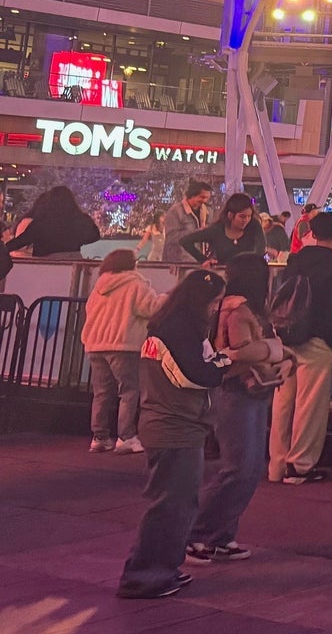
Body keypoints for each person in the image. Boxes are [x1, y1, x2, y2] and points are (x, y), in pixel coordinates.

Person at [118, 269, 227, 599]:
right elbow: (195, 375)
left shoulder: (171, 326)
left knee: (176, 502)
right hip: (173, 428)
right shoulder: (178, 330)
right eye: (215, 302)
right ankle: (143, 574)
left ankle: (161, 568)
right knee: (170, 504)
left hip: (173, 426)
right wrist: (226, 364)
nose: (215, 309)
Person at [189, 253, 287, 564]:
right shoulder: (239, 310)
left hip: (243, 388)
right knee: (240, 467)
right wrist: (277, 352)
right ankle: (197, 533)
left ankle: (218, 535)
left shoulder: (231, 306)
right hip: (237, 388)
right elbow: (244, 351)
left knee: (247, 466)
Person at [268, 211, 332, 486]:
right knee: (310, 404)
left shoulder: (295, 260)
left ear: (311, 233)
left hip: (288, 336)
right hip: (317, 339)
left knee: (283, 401)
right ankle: (300, 465)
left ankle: (276, 464)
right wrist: (329, 338)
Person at [81, 248, 161, 454]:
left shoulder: (98, 287)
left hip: (96, 345)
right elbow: (151, 308)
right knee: (129, 391)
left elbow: (89, 311)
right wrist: (167, 298)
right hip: (123, 344)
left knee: (101, 393)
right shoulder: (136, 284)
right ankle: (126, 437)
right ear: (131, 264)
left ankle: (99, 437)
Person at [7, 185, 102, 257]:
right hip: (73, 260)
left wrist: (4, 249)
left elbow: (22, 240)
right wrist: (78, 240)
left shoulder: (42, 221)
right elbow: (95, 235)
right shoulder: (80, 219)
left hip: (46, 263)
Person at [177, 191, 266, 265]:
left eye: (249, 216)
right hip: (223, 275)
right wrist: (204, 260)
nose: (246, 220)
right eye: (242, 216)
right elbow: (185, 241)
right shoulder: (217, 230)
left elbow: (261, 249)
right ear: (230, 215)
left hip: (248, 276)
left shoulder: (254, 226)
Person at [156, 181, 213, 263]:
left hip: (199, 262)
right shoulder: (175, 211)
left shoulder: (206, 212)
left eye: (207, 198)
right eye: (202, 197)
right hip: (179, 262)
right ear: (192, 195)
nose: (205, 201)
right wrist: (199, 233)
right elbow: (171, 238)